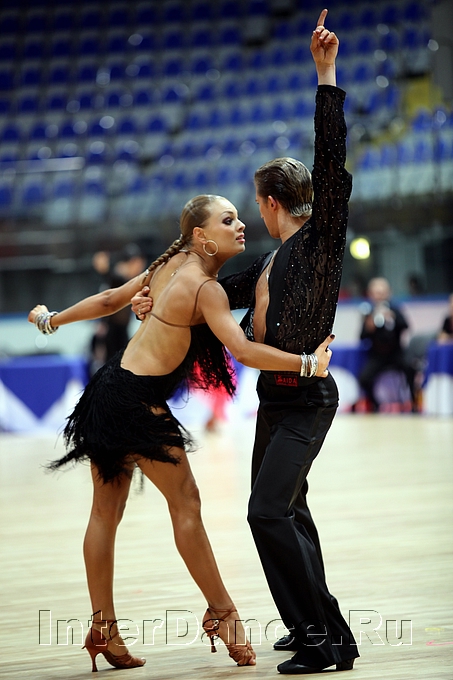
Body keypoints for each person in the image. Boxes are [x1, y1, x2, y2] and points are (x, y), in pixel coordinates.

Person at [133, 9, 360, 675]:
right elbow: (203, 292)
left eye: (252, 205)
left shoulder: (319, 244)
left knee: (266, 512)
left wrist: (325, 76)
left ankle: (320, 643)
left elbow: (331, 159)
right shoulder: (267, 263)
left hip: (307, 396)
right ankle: (323, 631)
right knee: (289, 512)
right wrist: (153, 299)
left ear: (268, 203)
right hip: (276, 399)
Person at [29, 194, 334, 673]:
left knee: (105, 514)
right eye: (228, 220)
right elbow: (243, 352)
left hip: (109, 389)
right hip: (136, 401)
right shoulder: (205, 289)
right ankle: (225, 616)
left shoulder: (167, 265)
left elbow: (109, 301)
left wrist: (51, 319)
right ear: (201, 236)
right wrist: (308, 363)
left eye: (239, 217)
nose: (240, 225)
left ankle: (104, 628)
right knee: (186, 504)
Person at [358, 276, 415, 411]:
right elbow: (362, 337)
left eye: (382, 293)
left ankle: (413, 403)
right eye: (376, 293)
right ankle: (375, 404)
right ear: (371, 294)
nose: (380, 296)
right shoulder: (369, 313)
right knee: (363, 378)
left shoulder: (395, 309)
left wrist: (393, 318)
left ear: (388, 293)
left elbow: (406, 326)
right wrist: (369, 328)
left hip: (396, 353)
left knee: (411, 369)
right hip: (377, 355)